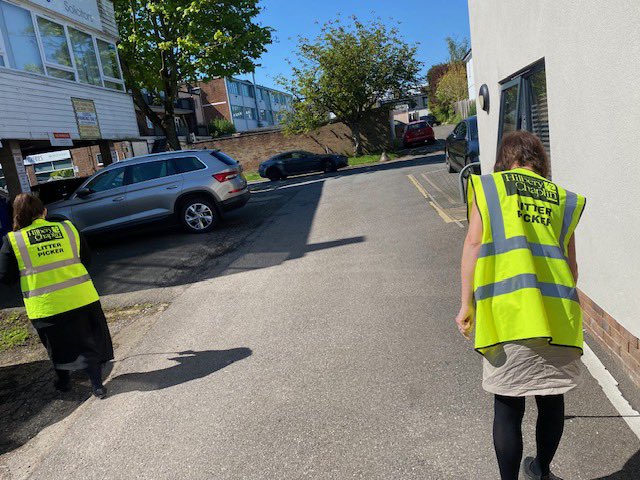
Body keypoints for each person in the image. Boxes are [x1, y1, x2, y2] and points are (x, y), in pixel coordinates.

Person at [455, 131, 586, 480]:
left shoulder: (488, 188)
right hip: (557, 319)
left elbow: (473, 245)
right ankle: (542, 470)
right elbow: (571, 270)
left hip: (508, 316)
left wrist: (465, 303)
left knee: (509, 404)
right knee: (551, 398)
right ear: (539, 161)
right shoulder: (563, 198)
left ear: (505, 160)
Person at [0, 193, 113, 398]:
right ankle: (97, 385)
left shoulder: (13, 241)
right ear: (44, 211)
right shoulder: (67, 228)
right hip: (81, 297)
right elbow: (86, 259)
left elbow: (5, 278)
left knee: (57, 345)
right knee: (87, 341)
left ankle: (64, 382)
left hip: (46, 306)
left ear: (17, 215)